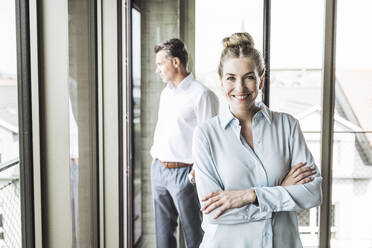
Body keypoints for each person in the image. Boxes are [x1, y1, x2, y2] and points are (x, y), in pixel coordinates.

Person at [192, 32, 322, 248]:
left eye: (249, 77)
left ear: (261, 80)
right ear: (221, 81)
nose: (240, 88)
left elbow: (313, 193)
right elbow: (214, 212)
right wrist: (282, 193)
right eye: (231, 78)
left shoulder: (288, 126)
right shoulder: (206, 135)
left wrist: (249, 195)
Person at [150, 38, 219, 248]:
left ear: (176, 63)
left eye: (160, 64)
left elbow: (209, 141)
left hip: (185, 174)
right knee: (163, 238)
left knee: (194, 236)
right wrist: (155, 160)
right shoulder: (166, 93)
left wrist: (194, 174)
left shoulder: (203, 95)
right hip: (160, 171)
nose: (157, 70)